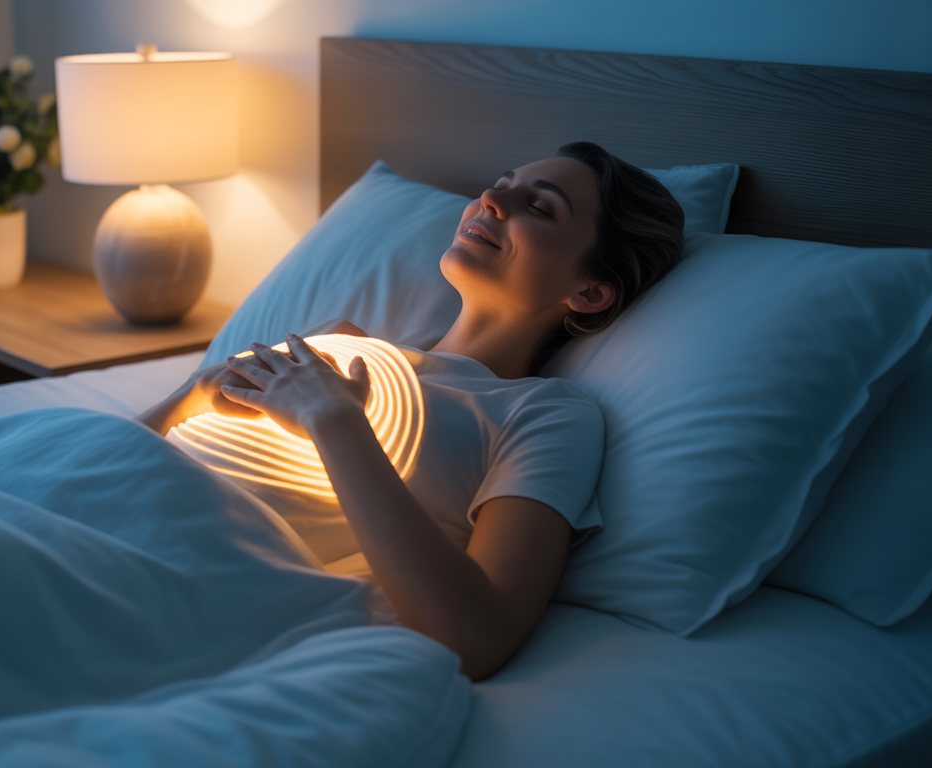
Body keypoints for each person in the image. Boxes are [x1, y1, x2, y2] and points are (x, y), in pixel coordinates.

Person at [139, 142, 684, 681]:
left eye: (540, 207)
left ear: (589, 293)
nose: (492, 198)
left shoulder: (544, 415)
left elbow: (477, 636)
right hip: (111, 507)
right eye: (501, 182)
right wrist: (187, 395)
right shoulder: (339, 344)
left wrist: (335, 421)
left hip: (177, 577)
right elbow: (106, 454)